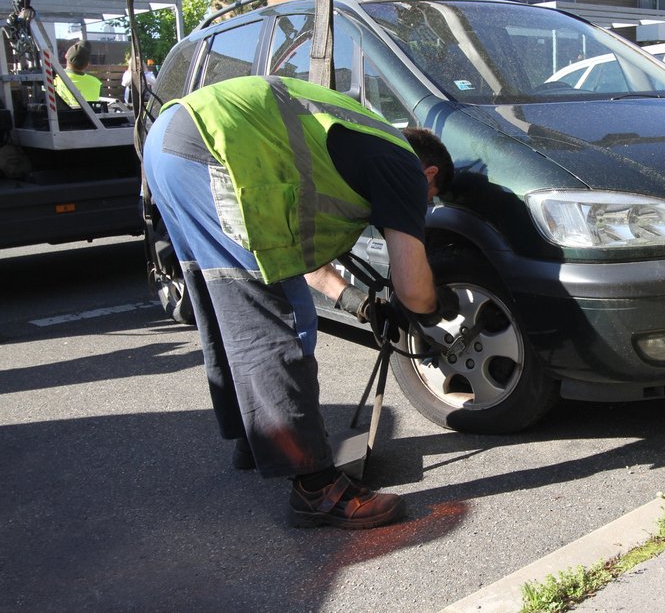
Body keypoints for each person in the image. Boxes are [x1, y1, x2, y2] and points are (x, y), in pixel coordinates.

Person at [142, 74, 456, 530]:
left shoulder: (354, 145)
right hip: (215, 148)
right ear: (429, 175)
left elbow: (296, 255)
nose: (423, 207)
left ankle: (255, 440)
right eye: (430, 199)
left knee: (224, 308)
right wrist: (429, 313)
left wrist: (357, 302)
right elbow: (415, 291)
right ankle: (317, 489)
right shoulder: (402, 165)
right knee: (275, 322)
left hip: (172, 143)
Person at [54, 41, 102, 107]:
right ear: (87, 64)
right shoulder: (97, 83)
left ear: (66, 56)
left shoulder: (54, 78)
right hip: (90, 117)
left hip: (63, 116)